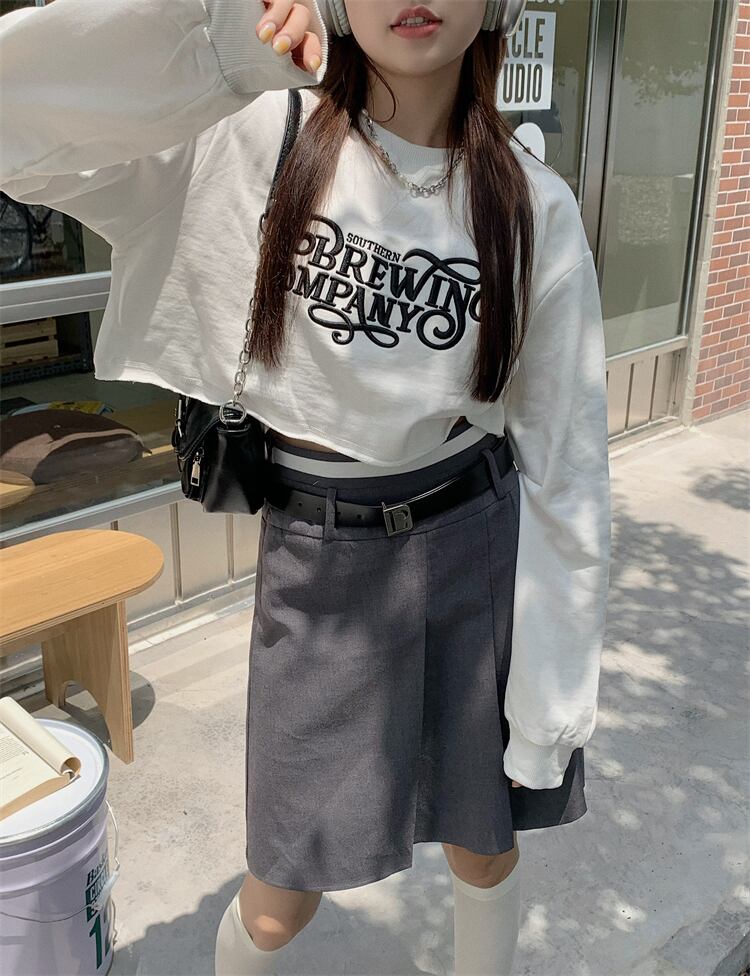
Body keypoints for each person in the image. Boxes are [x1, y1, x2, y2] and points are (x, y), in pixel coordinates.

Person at [0, 1, 612, 973]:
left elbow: (569, 471)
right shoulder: (246, 135)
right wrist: (216, 46)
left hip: (473, 547)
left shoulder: (531, 204)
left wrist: (554, 700)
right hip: (324, 564)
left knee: (484, 846)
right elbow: (18, 127)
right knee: (280, 900)